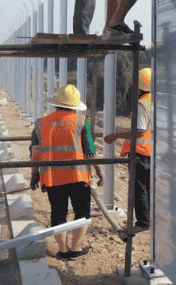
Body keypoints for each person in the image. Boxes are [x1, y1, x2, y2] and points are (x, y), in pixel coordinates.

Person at [30, 84, 104, 260]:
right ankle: (76, 248)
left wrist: (34, 174)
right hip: (77, 176)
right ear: (74, 107)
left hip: (52, 177)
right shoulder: (81, 122)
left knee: (58, 212)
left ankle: (63, 250)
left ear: (56, 104)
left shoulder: (41, 123)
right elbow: (90, 153)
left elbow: (35, 153)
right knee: (81, 212)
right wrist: (100, 172)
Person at [104, 67, 153, 231]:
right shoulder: (155, 99)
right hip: (152, 152)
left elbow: (139, 131)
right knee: (149, 186)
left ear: (138, 86)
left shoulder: (142, 103)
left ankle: (143, 223)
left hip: (139, 151)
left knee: (139, 188)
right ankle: (151, 219)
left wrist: (116, 136)